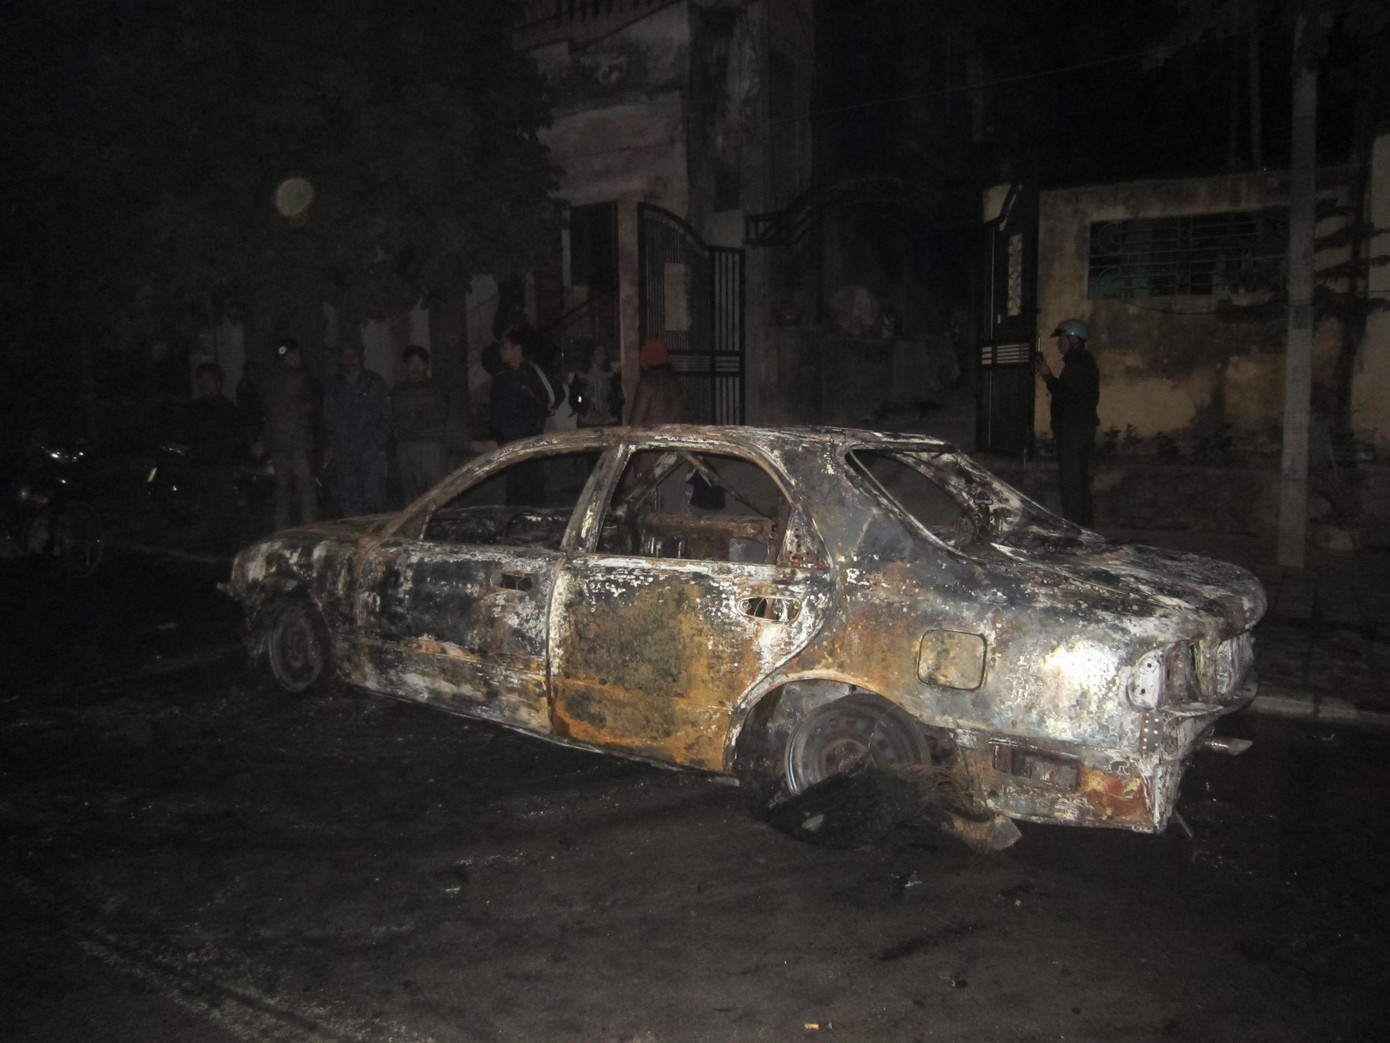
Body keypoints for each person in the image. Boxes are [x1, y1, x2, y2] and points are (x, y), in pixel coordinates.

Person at [1035, 317, 1100, 527]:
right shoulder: (1080, 360)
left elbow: (1065, 393)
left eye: (1061, 338)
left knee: (1072, 484)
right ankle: (1083, 528)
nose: (1058, 343)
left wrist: (1047, 376)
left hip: (1074, 431)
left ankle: (1075, 529)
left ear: (1073, 339)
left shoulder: (1078, 362)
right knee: (1078, 482)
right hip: (1077, 429)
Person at [180, 361, 244, 546]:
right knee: (206, 505)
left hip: (220, 464)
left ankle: (227, 542)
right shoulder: (195, 408)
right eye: (200, 381)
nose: (204, 384)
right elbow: (188, 434)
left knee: (224, 506)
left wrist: (228, 460)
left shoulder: (226, 408)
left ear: (218, 382)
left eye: (208, 380)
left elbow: (233, 437)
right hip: (201, 463)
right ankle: (210, 541)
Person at [322, 344, 391, 516]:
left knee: (374, 496)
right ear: (340, 360)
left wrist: (378, 442)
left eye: (353, 356)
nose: (350, 360)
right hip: (344, 451)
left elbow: (386, 416)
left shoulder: (374, 382)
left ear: (361, 357)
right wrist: (331, 444)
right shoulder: (334, 385)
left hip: (371, 450)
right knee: (348, 497)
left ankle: (376, 530)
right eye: (346, 356)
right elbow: (328, 417)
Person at [261, 338, 320, 530]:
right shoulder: (301, 379)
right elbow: (313, 404)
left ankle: (281, 528)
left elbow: (264, 411)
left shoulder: (268, 380)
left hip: (277, 444)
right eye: (298, 354)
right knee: (306, 488)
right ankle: (309, 529)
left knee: (282, 488)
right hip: (298, 442)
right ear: (291, 355)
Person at [491, 325, 552, 504]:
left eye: (505, 346)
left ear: (517, 348)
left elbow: (551, 397)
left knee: (531, 486)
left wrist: (534, 421)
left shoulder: (531, 372)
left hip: (529, 441)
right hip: (508, 442)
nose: (501, 351)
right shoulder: (502, 376)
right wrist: (498, 435)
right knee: (513, 488)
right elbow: (497, 409)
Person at [391, 345, 449, 503]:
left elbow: (438, 415)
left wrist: (416, 415)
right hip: (407, 446)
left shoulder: (436, 388)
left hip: (431, 444)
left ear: (426, 365)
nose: (415, 367)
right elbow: (398, 416)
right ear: (406, 365)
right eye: (412, 363)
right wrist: (416, 415)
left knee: (437, 490)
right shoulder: (399, 390)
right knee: (412, 493)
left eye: (419, 363)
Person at [628, 337, 685, 428]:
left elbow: (635, 423)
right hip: (673, 435)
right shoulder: (676, 384)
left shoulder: (646, 385)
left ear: (645, 362)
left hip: (651, 435)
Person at [568, 342, 624, 429]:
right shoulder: (580, 377)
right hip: (587, 421)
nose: (602, 356)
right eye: (599, 353)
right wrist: (588, 412)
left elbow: (619, 398)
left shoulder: (612, 376)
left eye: (604, 353)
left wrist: (607, 414)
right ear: (591, 355)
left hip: (610, 421)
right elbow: (575, 399)